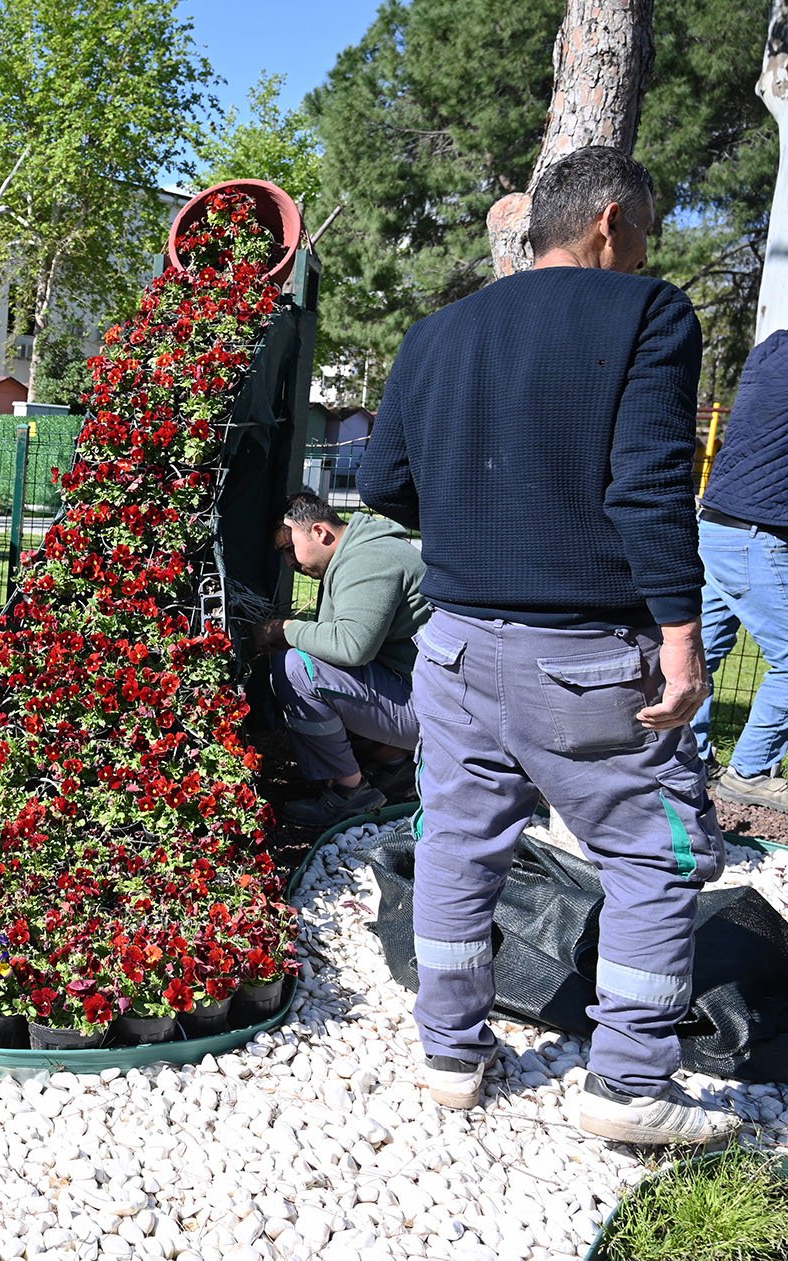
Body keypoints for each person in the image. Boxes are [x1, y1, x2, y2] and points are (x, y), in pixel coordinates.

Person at [359, 146, 735, 1148]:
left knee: (457, 842)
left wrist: (477, 511)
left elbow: (384, 483)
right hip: (586, 660)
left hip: (453, 651)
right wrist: (685, 641)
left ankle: (450, 1051)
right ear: (610, 221)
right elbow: (651, 487)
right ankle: (627, 1081)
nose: (647, 250)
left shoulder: (436, 333)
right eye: (646, 232)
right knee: (658, 857)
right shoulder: (647, 313)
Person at [252, 492, 430, 828]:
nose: (290, 563)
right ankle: (394, 762)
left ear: (319, 532)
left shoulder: (370, 561)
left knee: (295, 668)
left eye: (289, 549)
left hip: (435, 715)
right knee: (304, 658)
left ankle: (352, 794)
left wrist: (284, 629)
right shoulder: (356, 553)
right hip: (419, 694)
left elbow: (351, 647)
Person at [692, 331, 788, 816]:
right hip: (757, 534)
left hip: (717, 523)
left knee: (698, 652)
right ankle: (749, 772)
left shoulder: (772, 349)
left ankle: (684, 760)